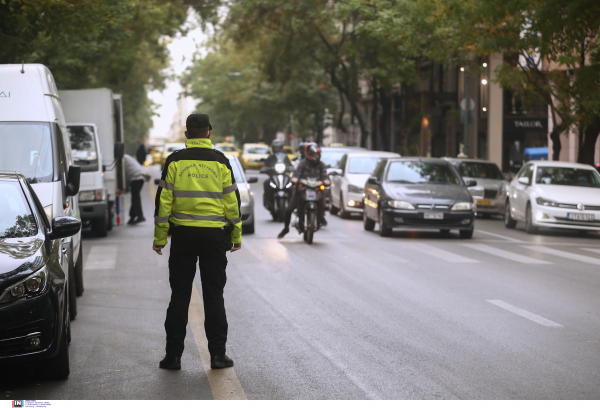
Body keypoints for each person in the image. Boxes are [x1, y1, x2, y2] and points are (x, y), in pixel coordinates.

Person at [153, 113, 242, 371]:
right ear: (209, 133)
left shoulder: (175, 161)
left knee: (179, 294)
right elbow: (232, 204)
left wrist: (160, 239)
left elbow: (163, 204)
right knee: (214, 294)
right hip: (214, 237)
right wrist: (235, 236)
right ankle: (217, 356)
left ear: (187, 134)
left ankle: (173, 357)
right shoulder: (221, 162)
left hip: (183, 236)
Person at [278, 143, 329, 239]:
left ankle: (320, 218)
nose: (317, 156)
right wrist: (295, 179)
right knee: (288, 209)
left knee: (323, 202)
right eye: (315, 154)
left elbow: (325, 176)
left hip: (316, 191)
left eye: (318, 154)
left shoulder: (321, 165)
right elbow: (296, 175)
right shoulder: (302, 164)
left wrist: (326, 181)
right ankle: (286, 228)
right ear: (310, 154)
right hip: (301, 191)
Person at [261, 139, 292, 211]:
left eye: (279, 147)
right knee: (266, 183)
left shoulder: (285, 157)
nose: (277, 149)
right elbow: (265, 166)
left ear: (281, 148)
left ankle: (292, 202)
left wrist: (291, 168)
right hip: (273, 177)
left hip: (284, 177)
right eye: (276, 147)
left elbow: (290, 165)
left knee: (292, 185)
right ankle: (268, 202)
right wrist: (266, 169)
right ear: (273, 148)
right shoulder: (271, 157)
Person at [123, 154, 149, 224]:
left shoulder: (122, 159)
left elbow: (123, 174)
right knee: (135, 197)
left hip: (136, 177)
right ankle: (132, 217)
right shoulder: (126, 157)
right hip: (140, 176)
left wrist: (124, 187)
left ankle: (140, 216)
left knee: (135, 197)